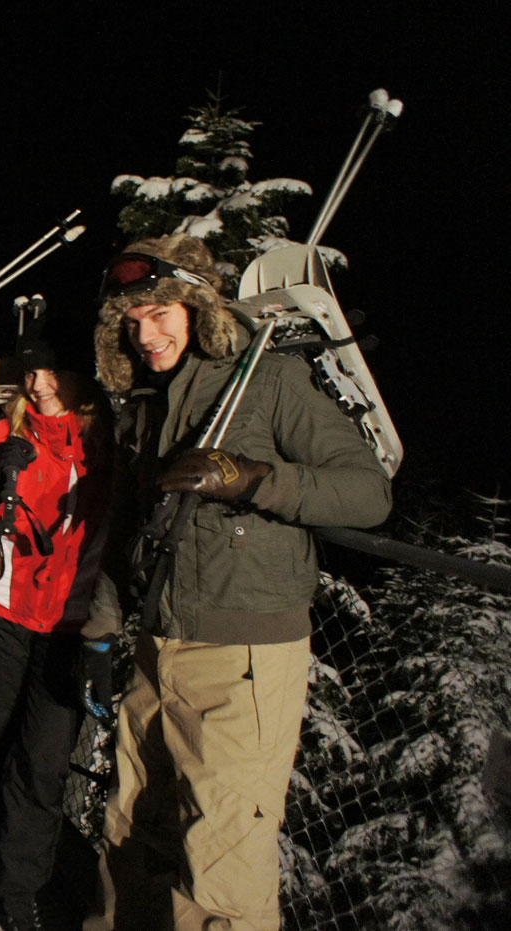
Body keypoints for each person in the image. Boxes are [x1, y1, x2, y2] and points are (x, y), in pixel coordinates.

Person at [83, 235, 392, 931]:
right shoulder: (146, 401)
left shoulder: (268, 381)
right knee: (131, 830)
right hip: (157, 648)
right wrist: (102, 634)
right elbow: (123, 528)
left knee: (221, 862)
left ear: (195, 303)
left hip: (245, 662)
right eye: (130, 321)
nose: (144, 332)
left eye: (158, 312)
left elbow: (367, 494)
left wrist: (250, 478)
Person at [0, 325, 113, 931]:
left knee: (43, 763)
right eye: (31, 372)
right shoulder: (2, 431)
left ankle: (15, 891)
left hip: (66, 622)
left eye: (54, 372)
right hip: (2, 609)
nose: (40, 385)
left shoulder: (103, 446)